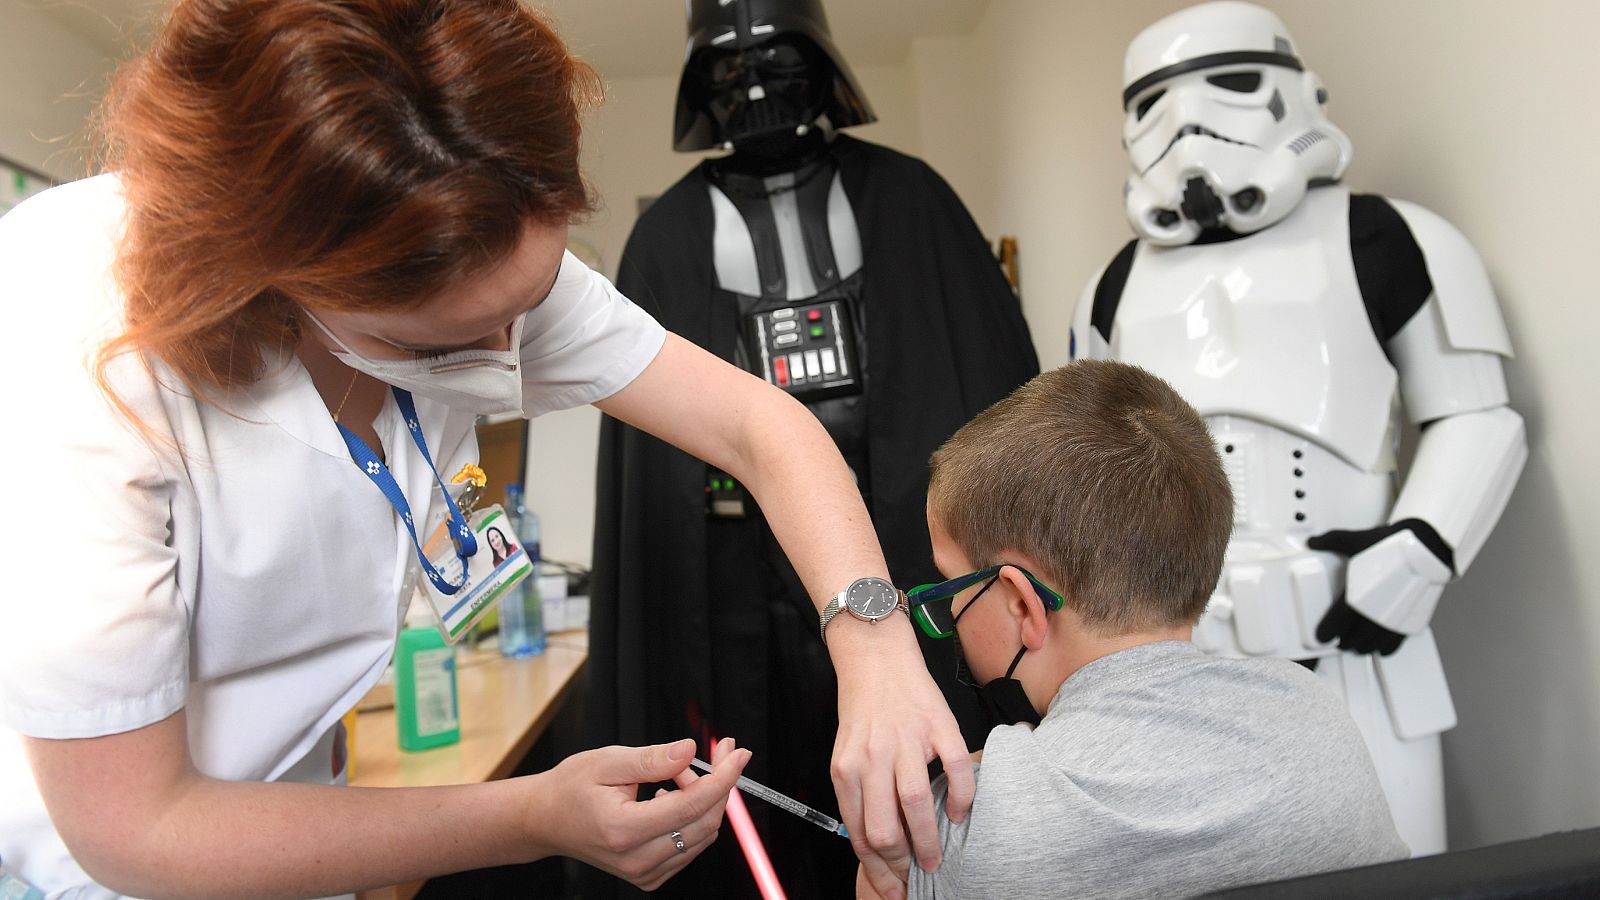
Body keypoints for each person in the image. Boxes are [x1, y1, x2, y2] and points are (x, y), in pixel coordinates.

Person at [0, 1, 968, 897]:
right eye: (440, 345)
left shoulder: (476, 233)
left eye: (532, 301)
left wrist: (875, 648)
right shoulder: (73, 344)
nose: (511, 355)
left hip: (298, 816)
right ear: (277, 276)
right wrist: (530, 815)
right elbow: (135, 826)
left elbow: (760, 426)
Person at [592, 2, 1035, 896]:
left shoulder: (910, 200)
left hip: (901, 566)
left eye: (778, 63)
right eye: (728, 71)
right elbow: (649, 479)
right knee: (760, 802)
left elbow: (993, 393)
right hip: (729, 586)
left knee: (925, 799)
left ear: (821, 65)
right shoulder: (669, 239)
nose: (754, 89)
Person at [1075, 1, 1526, 853]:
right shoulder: (1110, 284)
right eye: (1153, 105)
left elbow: (1477, 413)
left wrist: (1417, 553)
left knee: (1388, 861)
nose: (1189, 125)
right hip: (1173, 657)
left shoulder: (1389, 239)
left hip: (1355, 637)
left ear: (1299, 91)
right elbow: (1081, 460)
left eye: (1232, 83)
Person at [858, 360, 1408, 899]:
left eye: (952, 587)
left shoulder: (956, 826)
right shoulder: (1318, 721)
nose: (951, 613)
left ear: (1025, 605)